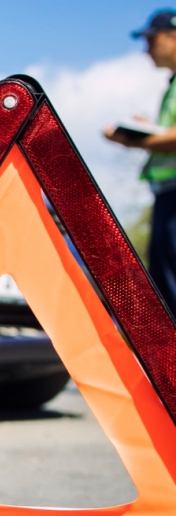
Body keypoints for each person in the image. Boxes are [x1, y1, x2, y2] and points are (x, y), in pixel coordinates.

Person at [106, 9, 176, 315]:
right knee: (164, 280)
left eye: (151, 40)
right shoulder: (171, 86)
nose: (146, 48)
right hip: (166, 194)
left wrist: (135, 139)